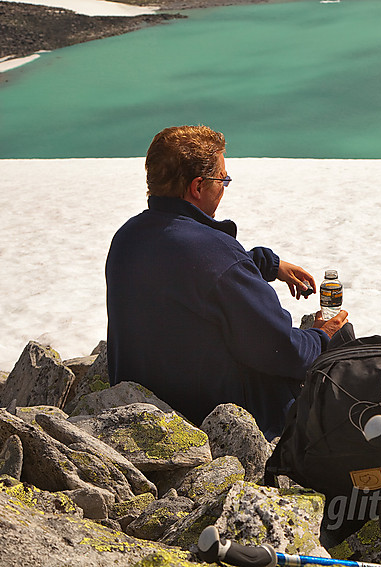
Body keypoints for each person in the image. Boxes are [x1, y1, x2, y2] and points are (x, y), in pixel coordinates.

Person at [105, 125, 350, 438]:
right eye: (223, 179)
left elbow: (189, 277)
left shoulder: (128, 237)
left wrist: (267, 265)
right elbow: (281, 351)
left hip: (143, 408)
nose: (224, 186)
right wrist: (322, 337)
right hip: (211, 421)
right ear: (197, 186)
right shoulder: (214, 254)